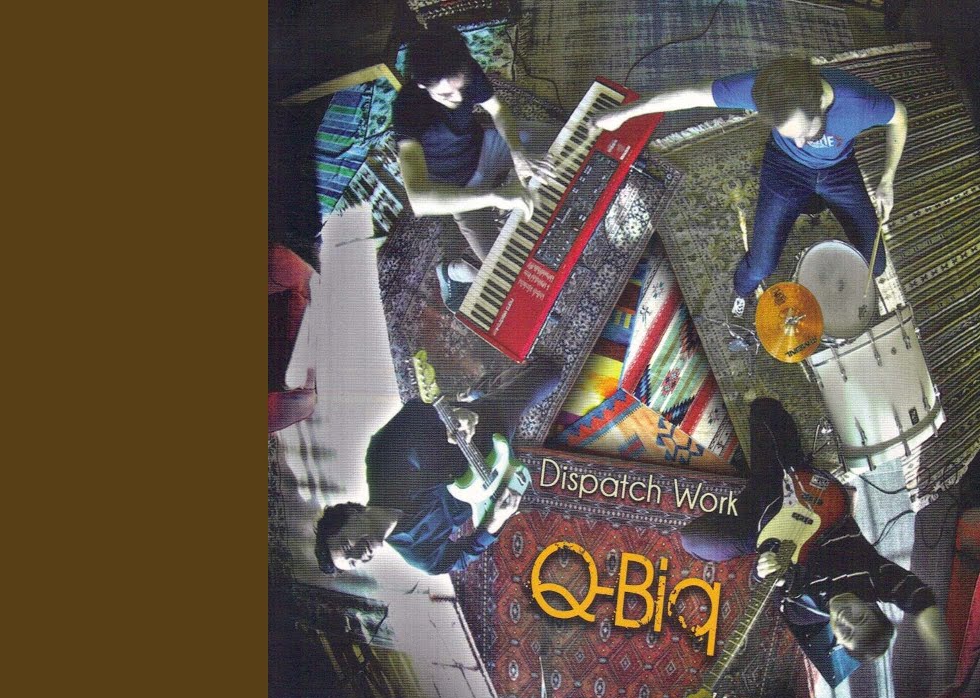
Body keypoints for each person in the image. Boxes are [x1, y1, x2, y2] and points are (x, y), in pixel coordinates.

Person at [679, 398, 952, 698]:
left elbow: (766, 587)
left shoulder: (805, 614)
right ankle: (785, 465)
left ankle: (752, 492)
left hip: (762, 530)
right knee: (764, 410)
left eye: (846, 633)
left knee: (691, 540)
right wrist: (941, 655)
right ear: (872, 605)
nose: (847, 621)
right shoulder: (870, 577)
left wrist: (763, 569)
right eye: (861, 619)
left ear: (837, 639)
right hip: (803, 497)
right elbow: (918, 597)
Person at [595, 56, 907, 318]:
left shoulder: (860, 102)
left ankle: (814, 203)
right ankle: (741, 293)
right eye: (790, 134)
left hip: (840, 171)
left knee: (877, 265)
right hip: (784, 169)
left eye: (804, 132)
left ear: (821, 103)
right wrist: (623, 114)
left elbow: (900, 117)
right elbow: (691, 94)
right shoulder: (766, 88)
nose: (800, 143)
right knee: (760, 265)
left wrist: (887, 179)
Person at [314, 360, 560, 575]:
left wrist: (454, 413)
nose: (358, 554)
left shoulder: (380, 459)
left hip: (480, 429)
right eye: (353, 562)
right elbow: (458, 559)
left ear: (350, 514)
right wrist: (495, 521)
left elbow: (416, 411)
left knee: (550, 375)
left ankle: (482, 394)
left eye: (347, 545)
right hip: (495, 479)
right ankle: (481, 392)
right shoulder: (418, 554)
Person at [393, 23, 551, 310]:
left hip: (484, 147)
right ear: (421, 84)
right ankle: (454, 271)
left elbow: (498, 110)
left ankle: (512, 180)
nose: (458, 99)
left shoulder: (464, 70)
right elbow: (419, 200)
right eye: (445, 95)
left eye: (461, 89)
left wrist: (517, 152)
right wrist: (495, 197)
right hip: (459, 187)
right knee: (509, 275)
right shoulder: (406, 109)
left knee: (562, 136)